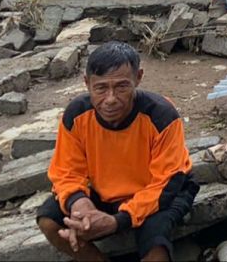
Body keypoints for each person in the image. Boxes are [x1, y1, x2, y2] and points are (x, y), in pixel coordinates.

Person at [36, 41, 198, 262]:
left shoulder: (162, 116)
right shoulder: (76, 115)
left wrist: (118, 221)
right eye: (101, 88)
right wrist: (80, 204)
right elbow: (66, 172)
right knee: (49, 220)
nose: (110, 99)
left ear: (138, 78)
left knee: (156, 246)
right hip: (104, 191)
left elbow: (165, 182)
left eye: (121, 87)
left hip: (160, 193)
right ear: (87, 83)